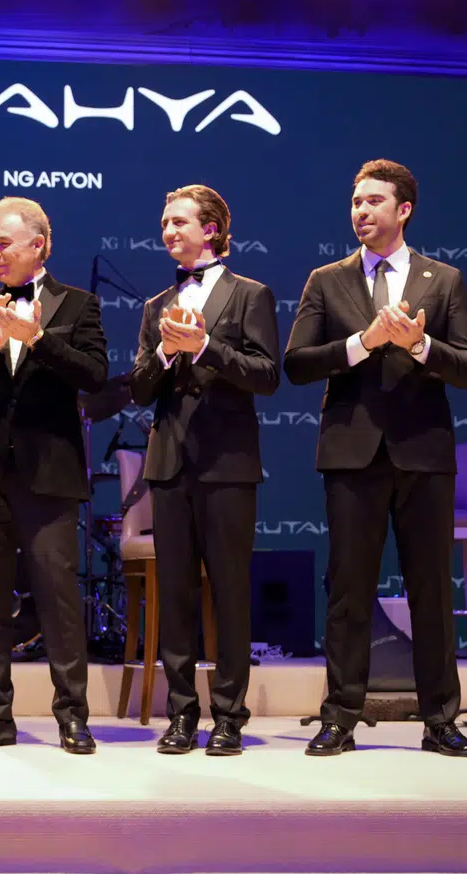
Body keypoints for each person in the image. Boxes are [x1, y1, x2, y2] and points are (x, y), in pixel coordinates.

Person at [284, 159, 467, 758]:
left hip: (423, 453)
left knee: (430, 590)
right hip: (353, 453)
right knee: (349, 590)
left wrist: (418, 344)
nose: (361, 211)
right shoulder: (328, 280)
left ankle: (440, 720)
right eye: (356, 202)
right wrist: (363, 342)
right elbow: (296, 364)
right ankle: (340, 718)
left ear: (404, 210)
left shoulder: (443, 280)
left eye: (374, 201)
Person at [0, 196, 107, 755]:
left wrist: (38, 338)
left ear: (39, 245)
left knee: (58, 600)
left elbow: (94, 375)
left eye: (3, 243)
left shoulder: (78, 305)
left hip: (49, 475)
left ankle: (72, 717)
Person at [128, 185, 279, 755]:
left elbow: (266, 374)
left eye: (179, 222)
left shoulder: (250, 295)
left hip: (227, 465)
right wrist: (166, 353)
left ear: (211, 229)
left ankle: (230, 716)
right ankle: (181, 714)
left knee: (231, 593)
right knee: (176, 595)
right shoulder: (155, 307)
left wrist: (205, 346)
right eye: (165, 223)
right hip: (170, 465)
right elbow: (139, 389)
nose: (168, 231)